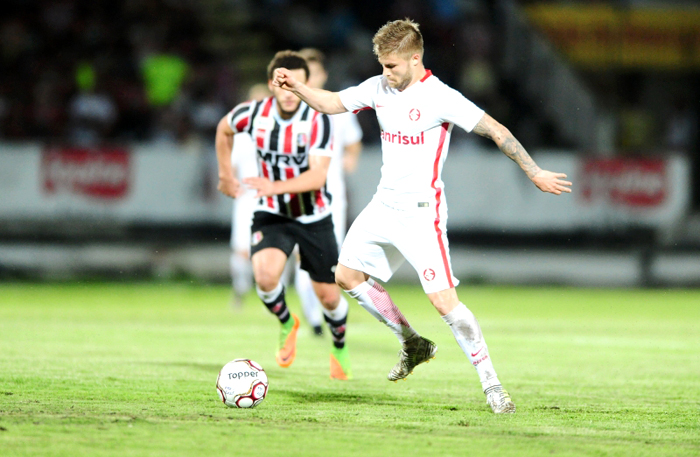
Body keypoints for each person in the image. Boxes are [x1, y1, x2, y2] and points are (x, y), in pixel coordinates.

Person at [272, 19, 572, 413]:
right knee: (345, 275)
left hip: (421, 213)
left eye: (392, 66)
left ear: (415, 58)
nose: (385, 73)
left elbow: (497, 130)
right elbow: (332, 103)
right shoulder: (378, 87)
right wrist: (299, 87)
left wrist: (534, 171)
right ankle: (412, 342)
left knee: (444, 302)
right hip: (383, 205)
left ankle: (493, 386)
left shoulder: (441, 97)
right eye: (381, 65)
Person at [216, 50, 352, 380]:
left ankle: (339, 345)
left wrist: (273, 187)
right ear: (270, 85)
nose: (288, 91)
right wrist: (225, 175)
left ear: (305, 86)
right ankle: (287, 321)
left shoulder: (318, 121)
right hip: (271, 213)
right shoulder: (253, 113)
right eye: (282, 84)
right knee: (264, 276)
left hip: (313, 216)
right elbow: (224, 128)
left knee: (329, 297)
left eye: (296, 85)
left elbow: (317, 177)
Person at [293, 48, 363, 336]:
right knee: (302, 256)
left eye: (313, 72)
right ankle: (314, 320)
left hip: (331, 194)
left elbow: (354, 141)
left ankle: (328, 310)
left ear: (322, 74)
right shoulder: (289, 107)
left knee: (329, 258)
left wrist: (351, 159)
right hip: (295, 195)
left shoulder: (337, 107)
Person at [229, 83, 272, 308]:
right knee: (242, 250)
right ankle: (240, 290)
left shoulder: (279, 132)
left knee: (272, 250)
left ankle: (272, 297)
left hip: (272, 198)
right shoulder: (242, 135)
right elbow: (232, 166)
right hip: (247, 199)